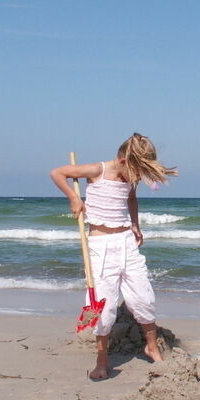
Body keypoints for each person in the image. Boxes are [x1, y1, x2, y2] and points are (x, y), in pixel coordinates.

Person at [50, 133, 177, 379]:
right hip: (100, 244)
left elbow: (131, 198)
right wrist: (74, 197)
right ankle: (101, 360)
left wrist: (136, 225)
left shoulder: (131, 177)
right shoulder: (97, 170)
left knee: (143, 296)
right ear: (123, 158)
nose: (139, 173)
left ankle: (151, 347)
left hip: (126, 241)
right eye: (137, 166)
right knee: (103, 304)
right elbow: (57, 173)